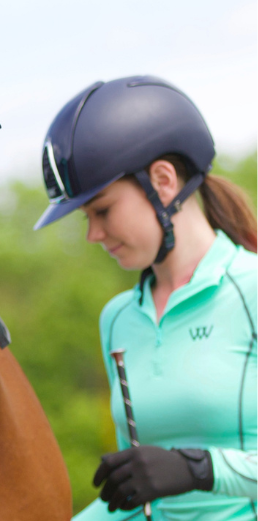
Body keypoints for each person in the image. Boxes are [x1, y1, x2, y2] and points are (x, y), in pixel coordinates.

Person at [35, 75, 257, 520]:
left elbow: (180, 475)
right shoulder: (116, 319)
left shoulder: (250, 290)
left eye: (102, 211)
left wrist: (197, 469)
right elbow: (132, 494)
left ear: (163, 181)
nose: (93, 234)